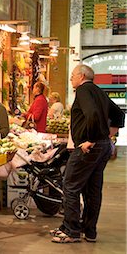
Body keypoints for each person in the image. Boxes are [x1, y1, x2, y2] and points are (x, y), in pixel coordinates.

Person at [50, 64, 124, 243]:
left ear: (82, 76)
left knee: (70, 185)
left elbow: (92, 114)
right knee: (92, 189)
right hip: (102, 146)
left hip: (89, 147)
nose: (71, 79)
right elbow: (119, 115)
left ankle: (71, 230)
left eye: (73, 75)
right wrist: (107, 136)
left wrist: (91, 139)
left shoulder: (83, 91)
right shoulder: (99, 91)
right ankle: (89, 231)